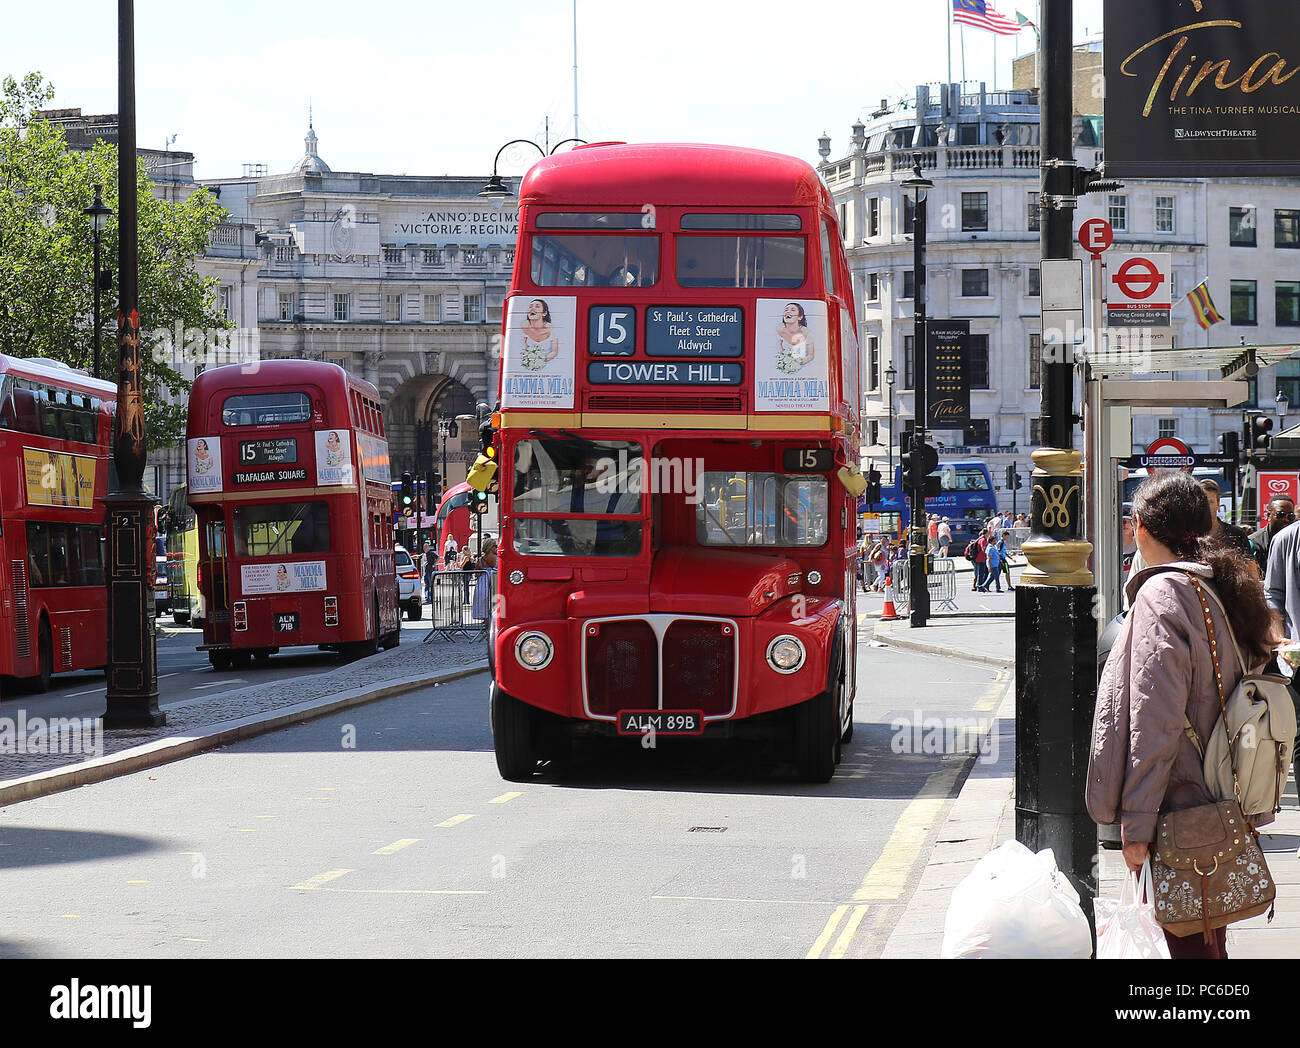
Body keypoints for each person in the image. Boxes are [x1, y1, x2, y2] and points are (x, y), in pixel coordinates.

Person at [1088, 470, 1280, 959]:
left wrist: (1135, 824)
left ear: (1142, 529)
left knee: (1187, 942)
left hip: (1178, 802)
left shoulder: (1162, 595)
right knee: (1205, 935)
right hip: (1219, 794)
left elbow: (1156, 721)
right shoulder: (1220, 588)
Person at [1201, 479, 1254, 566]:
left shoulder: (1236, 535)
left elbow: (1251, 569)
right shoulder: (1189, 536)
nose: (1206, 506)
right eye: (1202, 501)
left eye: (1210, 502)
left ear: (1218, 504)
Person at [1250, 494, 1295, 576]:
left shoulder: (1296, 540)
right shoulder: (1254, 542)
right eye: (1280, 515)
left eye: (1290, 516)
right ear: (1268, 516)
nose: (1286, 520)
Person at [471, 537, 498, 625]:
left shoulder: (480, 559)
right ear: (490, 547)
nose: (496, 547)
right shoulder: (495, 558)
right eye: (495, 545)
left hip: (482, 583)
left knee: (484, 608)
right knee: (494, 606)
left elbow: (477, 574)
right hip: (493, 581)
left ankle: (487, 628)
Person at [980, 528, 1003, 592]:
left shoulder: (992, 547)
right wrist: (990, 567)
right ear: (991, 541)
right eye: (994, 541)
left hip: (995, 563)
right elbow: (989, 558)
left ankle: (984, 586)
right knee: (996, 577)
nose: (996, 542)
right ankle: (998, 588)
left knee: (992, 577)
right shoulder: (990, 548)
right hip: (993, 564)